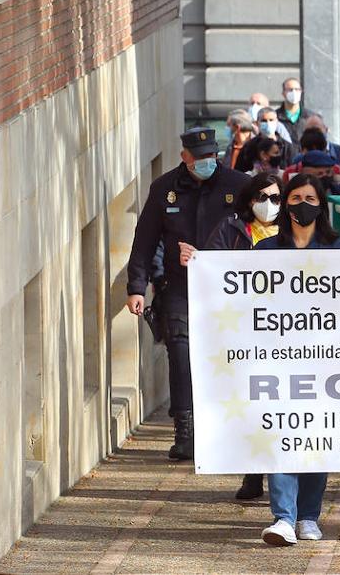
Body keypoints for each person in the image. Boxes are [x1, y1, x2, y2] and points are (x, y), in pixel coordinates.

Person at [125, 128, 249, 460]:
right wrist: (136, 287)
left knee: (226, 356)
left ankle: (227, 427)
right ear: (185, 158)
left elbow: (257, 232)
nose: (208, 162)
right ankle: (185, 430)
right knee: (180, 352)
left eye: (212, 156)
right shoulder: (164, 189)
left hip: (228, 288)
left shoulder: (237, 186)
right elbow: (145, 240)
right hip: (180, 286)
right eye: (201, 158)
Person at [254, 174, 340, 546]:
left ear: (321, 204)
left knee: (317, 435)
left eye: (310, 197)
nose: (303, 204)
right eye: (295, 197)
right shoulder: (265, 252)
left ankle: (308, 516)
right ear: (285, 204)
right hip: (279, 361)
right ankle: (283, 517)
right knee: (282, 432)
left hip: (326, 363)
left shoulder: (339, 251)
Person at [194, 172, 284, 501]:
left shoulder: (292, 235)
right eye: (262, 197)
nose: (269, 204)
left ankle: (282, 475)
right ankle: (252, 471)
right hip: (245, 331)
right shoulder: (231, 230)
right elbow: (212, 269)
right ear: (249, 200)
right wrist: (196, 262)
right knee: (254, 404)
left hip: (287, 335)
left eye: (276, 198)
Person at [275, 78, 320, 144]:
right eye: (290, 90)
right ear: (283, 93)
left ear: (301, 92)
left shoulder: (311, 117)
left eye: (297, 89)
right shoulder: (274, 117)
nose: (294, 92)